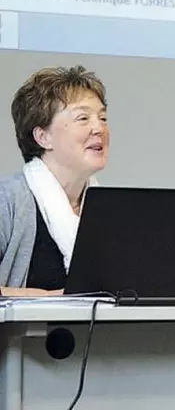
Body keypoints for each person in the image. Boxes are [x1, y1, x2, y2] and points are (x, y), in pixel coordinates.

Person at [0, 65, 109, 296]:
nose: (99, 128)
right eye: (83, 118)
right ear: (43, 137)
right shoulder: (8, 200)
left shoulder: (108, 209)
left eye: (103, 117)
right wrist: (50, 299)